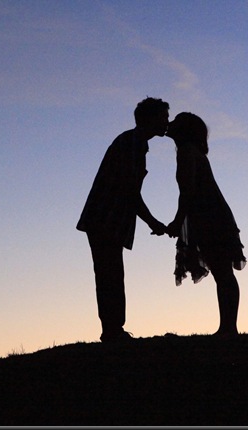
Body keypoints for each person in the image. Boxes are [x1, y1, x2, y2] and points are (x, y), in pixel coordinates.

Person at [77, 97, 169, 343]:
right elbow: (130, 190)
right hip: (105, 218)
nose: (166, 122)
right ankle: (113, 331)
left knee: (109, 273)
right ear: (150, 118)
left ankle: (113, 329)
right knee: (110, 274)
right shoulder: (133, 144)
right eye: (163, 117)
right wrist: (152, 222)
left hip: (106, 218)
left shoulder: (133, 142)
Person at [165, 112, 247, 338]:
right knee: (223, 272)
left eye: (176, 122)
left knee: (223, 272)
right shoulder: (193, 152)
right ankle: (228, 327)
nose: (170, 124)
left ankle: (228, 328)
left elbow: (188, 192)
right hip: (211, 215)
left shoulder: (187, 152)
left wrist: (177, 221)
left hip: (211, 217)